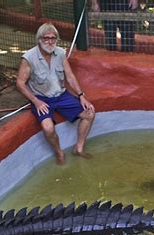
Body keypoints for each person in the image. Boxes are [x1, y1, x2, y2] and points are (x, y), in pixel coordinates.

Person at [16, 24, 95, 165]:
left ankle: (79, 148)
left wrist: (81, 95)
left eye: (53, 38)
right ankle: (59, 152)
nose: (50, 42)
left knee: (90, 112)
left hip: (61, 95)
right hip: (41, 98)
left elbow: (70, 76)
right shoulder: (29, 57)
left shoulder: (60, 53)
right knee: (48, 127)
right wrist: (36, 101)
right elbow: (20, 83)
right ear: (39, 39)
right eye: (46, 38)